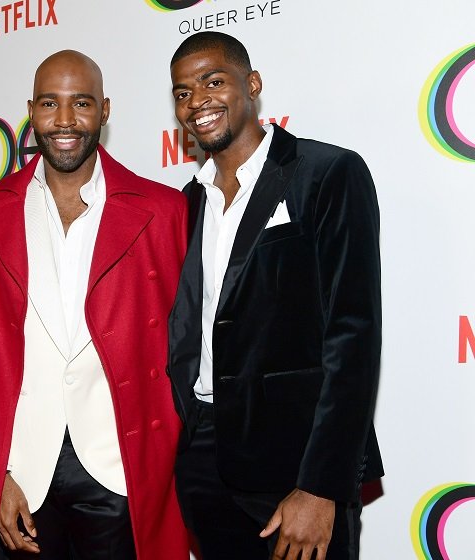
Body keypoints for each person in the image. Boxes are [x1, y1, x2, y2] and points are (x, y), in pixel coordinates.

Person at [0, 50, 190, 560]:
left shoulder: (162, 210)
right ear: (31, 110)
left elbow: (186, 352)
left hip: (120, 469)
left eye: (81, 103)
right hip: (21, 467)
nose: (64, 121)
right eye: (49, 103)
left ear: (105, 111)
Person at [167, 31, 384, 560]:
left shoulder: (327, 173)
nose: (198, 101)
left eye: (213, 81)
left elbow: (352, 339)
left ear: (253, 85)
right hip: (203, 460)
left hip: (296, 464)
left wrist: (321, 485)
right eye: (182, 92)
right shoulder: (186, 203)